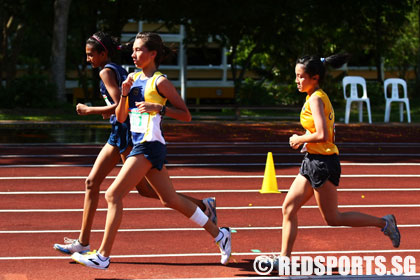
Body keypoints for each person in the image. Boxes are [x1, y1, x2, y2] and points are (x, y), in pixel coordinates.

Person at [71, 32, 231, 270]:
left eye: (139, 50)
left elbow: (186, 115)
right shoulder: (132, 78)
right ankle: (220, 234)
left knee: (113, 195)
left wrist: (160, 108)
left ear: (153, 54)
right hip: (138, 143)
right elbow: (121, 116)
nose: (133, 54)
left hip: (150, 145)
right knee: (170, 199)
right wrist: (124, 94)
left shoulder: (160, 82)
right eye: (133, 50)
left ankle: (102, 256)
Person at [281, 54, 400, 259]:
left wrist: (300, 139)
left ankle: (385, 223)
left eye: (301, 77)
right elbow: (321, 135)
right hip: (312, 161)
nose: (297, 81)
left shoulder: (317, 99)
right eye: (296, 76)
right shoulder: (314, 96)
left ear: (315, 77)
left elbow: (322, 134)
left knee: (333, 218)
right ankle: (284, 258)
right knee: (288, 208)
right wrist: (307, 143)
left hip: (323, 164)